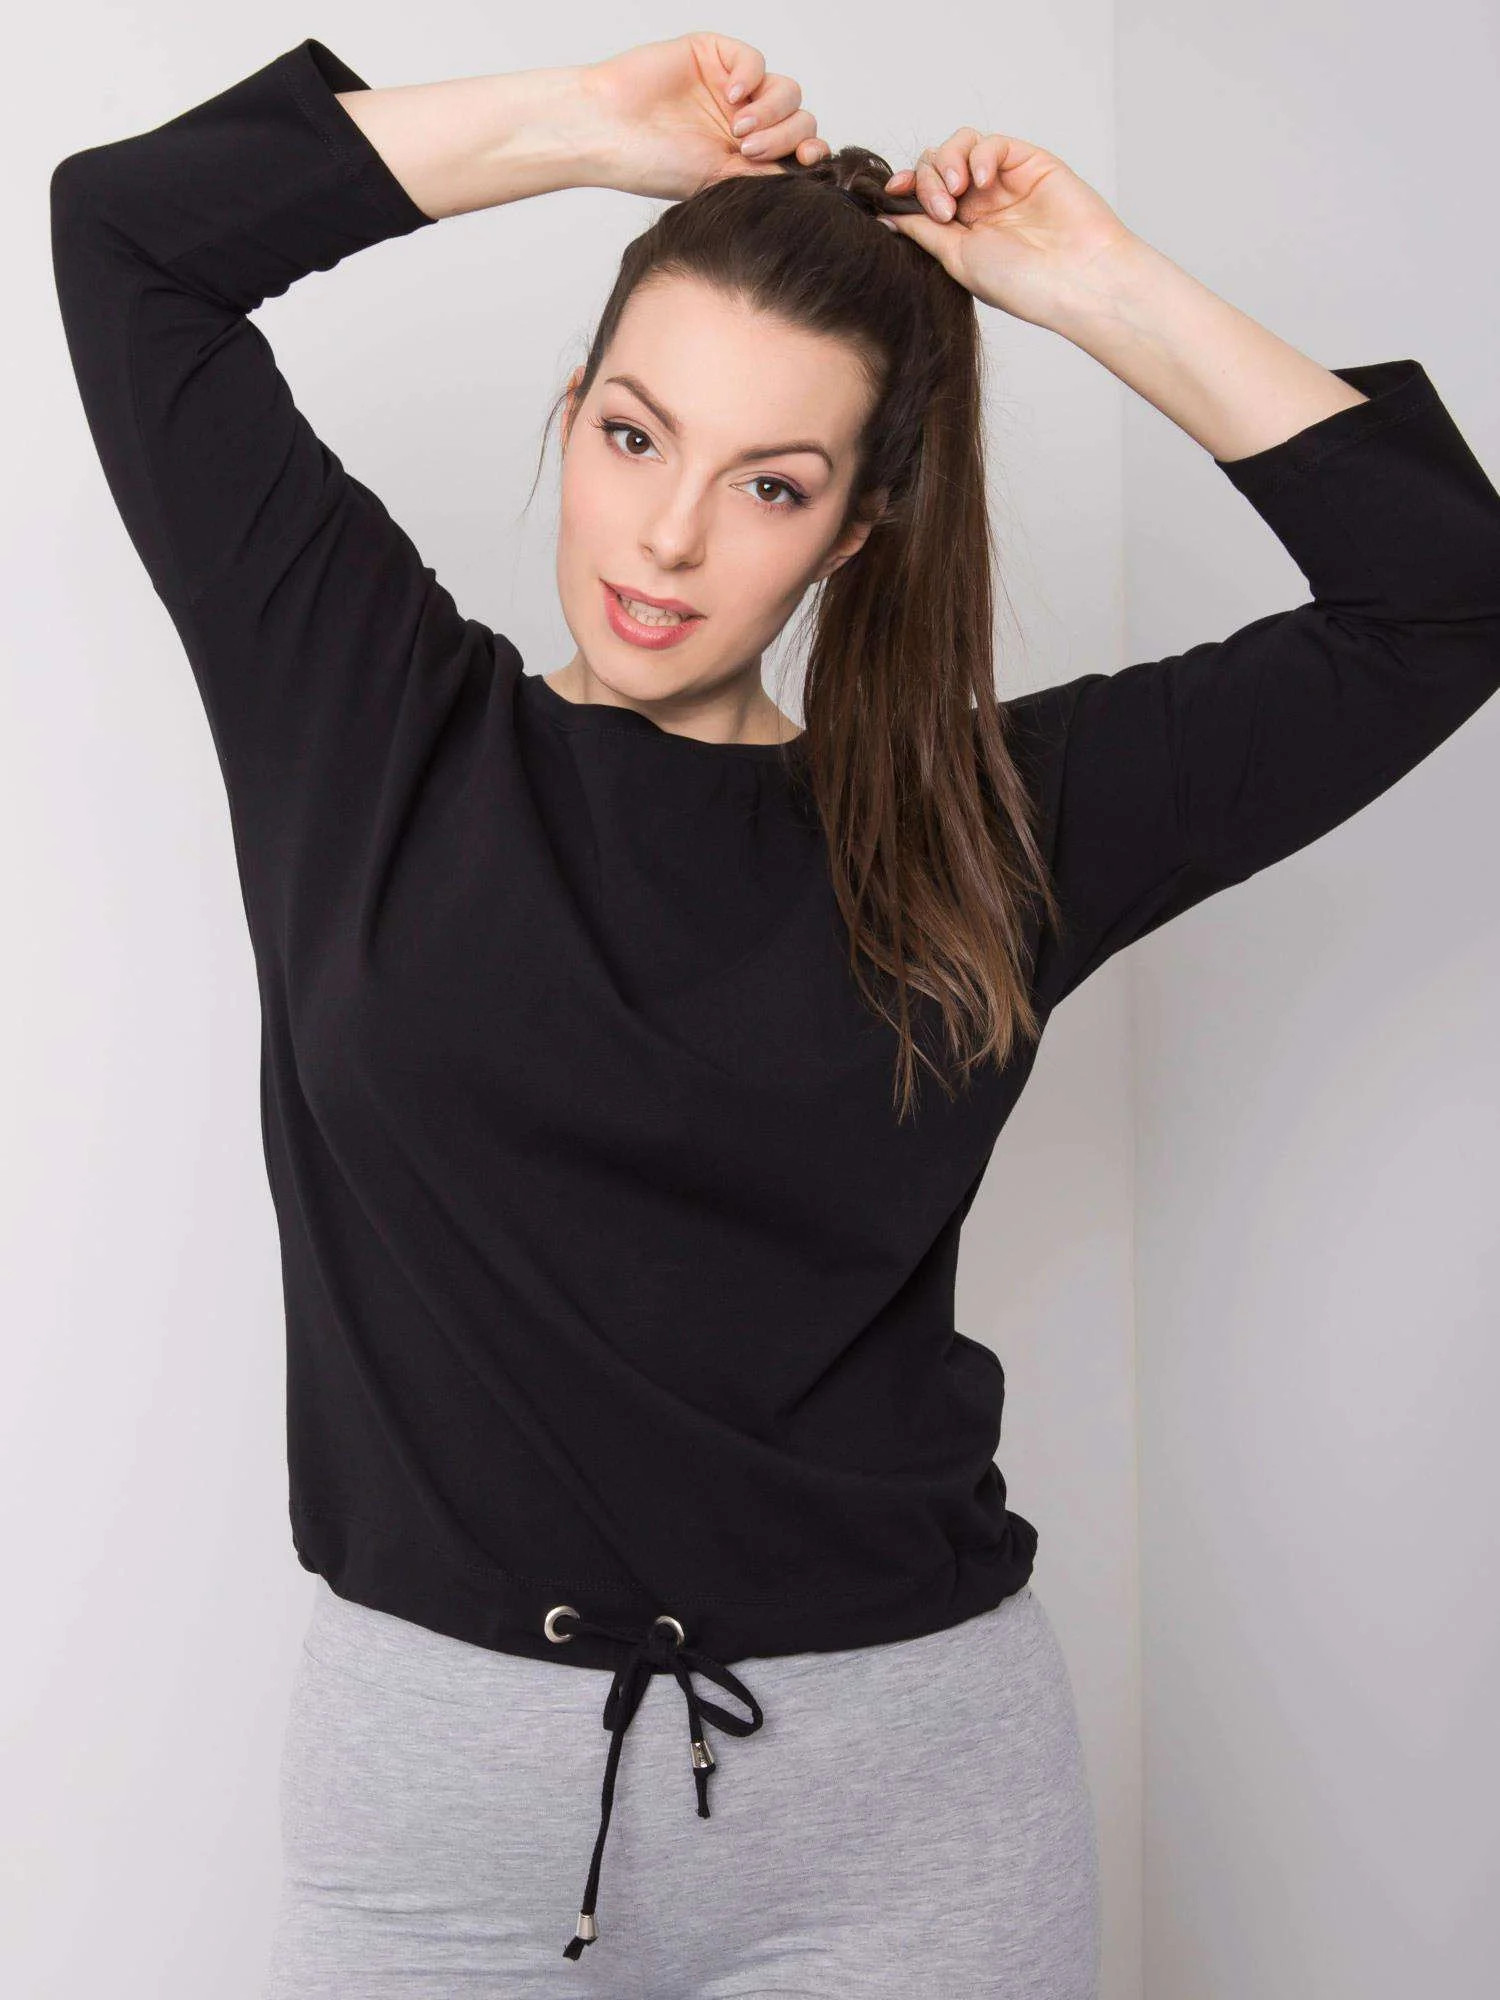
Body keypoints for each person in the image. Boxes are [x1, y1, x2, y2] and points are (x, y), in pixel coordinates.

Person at [48, 28, 1500, 2000]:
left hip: (901, 1819)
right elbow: (126, 234)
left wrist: (1087, 281)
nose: (667, 539)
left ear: (858, 526)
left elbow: (1447, 596)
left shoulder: (985, 830)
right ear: (571, 415)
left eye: (773, 483)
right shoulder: (367, 720)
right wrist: (578, 129)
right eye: (635, 436)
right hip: (432, 1829)